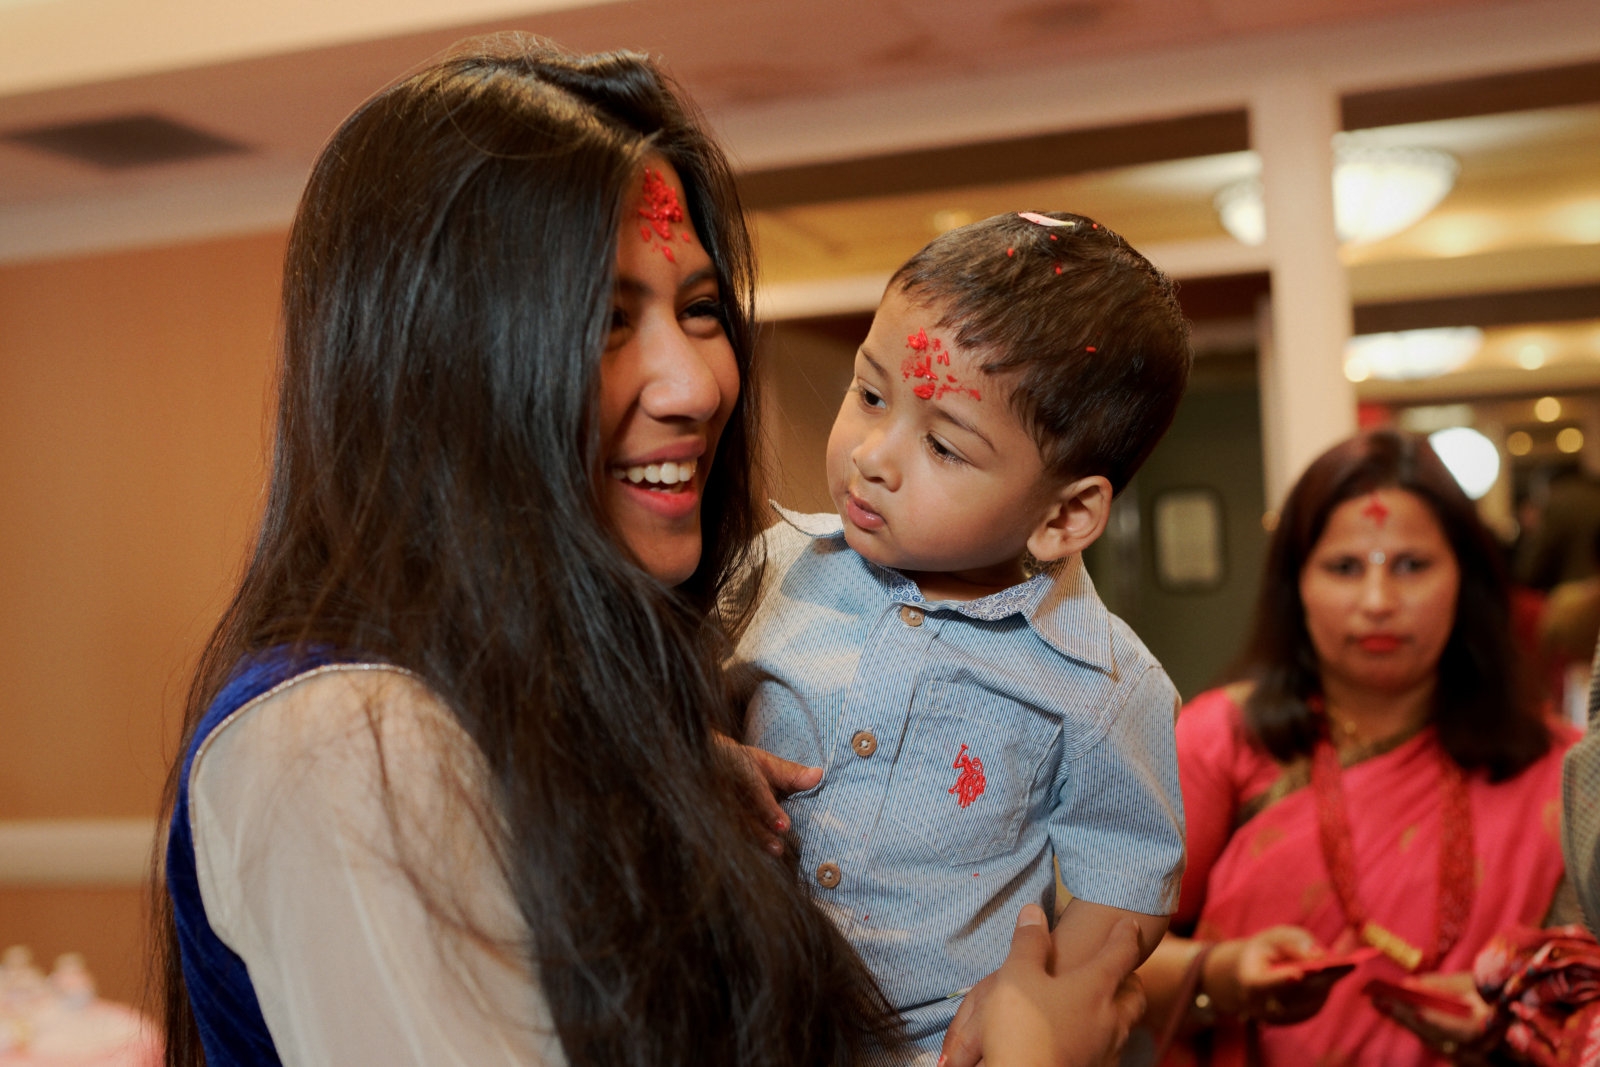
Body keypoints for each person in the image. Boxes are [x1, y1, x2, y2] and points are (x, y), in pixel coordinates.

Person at [154, 37, 1145, 1067]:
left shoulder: (602, 704)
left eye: (701, 310)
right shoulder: (346, 735)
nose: (696, 384)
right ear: (439, 367)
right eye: (604, 319)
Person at [731, 210, 1192, 1061]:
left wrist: (1043, 1000)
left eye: (943, 444)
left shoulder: (1102, 680)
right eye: (870, 394)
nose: (873, 455)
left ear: (1066, 514)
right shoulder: (771, 568)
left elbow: (1125, 875)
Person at [1137, 429, 1574, 1067]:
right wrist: (1221, 974)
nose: (1378, 602)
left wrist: (1514, 1015)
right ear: (1297, 585)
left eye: (1411, 565)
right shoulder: (1224, 741)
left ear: (1466, 580)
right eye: (1344, 568)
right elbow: (1105, 960)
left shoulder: (1559, 771)